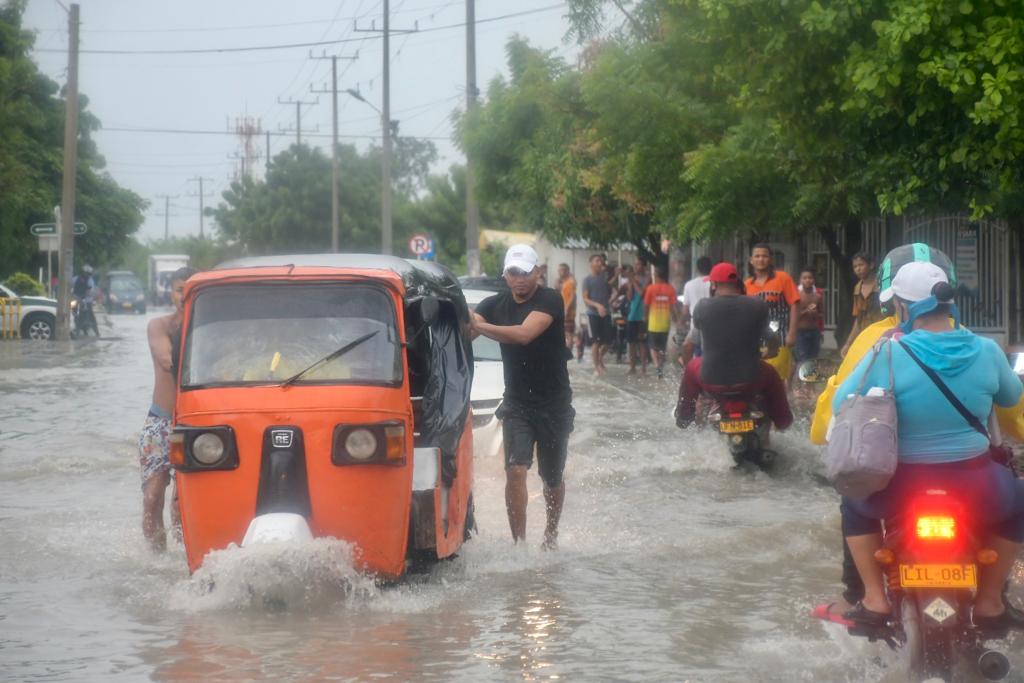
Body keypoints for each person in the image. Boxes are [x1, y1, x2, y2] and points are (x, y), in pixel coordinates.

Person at [811, 243, 1024, 620]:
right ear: (949, 303)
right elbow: (1011, 396)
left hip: (899, 485)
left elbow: (842, 401)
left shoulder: (886, 352)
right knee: (1017, 505)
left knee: (853, 505)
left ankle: (874, 599)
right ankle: (990, 601)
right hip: (976, 483)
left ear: (904, 307)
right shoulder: (988, 350)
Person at [472, 244, 575, 549]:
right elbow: (468, 331)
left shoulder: (550, 299)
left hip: (554, 404)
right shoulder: (493, 305)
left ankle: (551, 534)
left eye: (525, 272)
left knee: (551, 477)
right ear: (504, 275)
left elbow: (523, 334)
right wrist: (462, 319)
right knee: (515, 469)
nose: (519, 279)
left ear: (537, 273)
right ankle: (519, 545)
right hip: (516, 402)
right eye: (513, 272)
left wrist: (479, 324)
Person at [676, 263, 793, 430]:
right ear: (737, 282)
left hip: (711, 380)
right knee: (773, 376)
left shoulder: (702, 306)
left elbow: (688, 346)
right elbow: (772, 338)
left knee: (690, 369)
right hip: (751, 379)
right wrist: (771, 352)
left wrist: (688, 365)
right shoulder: (756, 305)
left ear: (713, 284)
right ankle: (783, 422)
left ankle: (684, 418)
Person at [140, 266, 196, 551]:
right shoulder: (159, 326)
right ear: (171, 293)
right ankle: (155, 561)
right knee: (152, 498)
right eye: (179, 290)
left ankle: (184, 559)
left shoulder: (210, 328)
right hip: (160, 422)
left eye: (190, 290)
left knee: (180, 505)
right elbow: (166, 359)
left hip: (192, 423)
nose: (184, 296)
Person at [744, 244, 800, 381]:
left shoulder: (783, 278)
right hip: (754, 340)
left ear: (771, 259)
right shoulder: (746, 284)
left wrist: (792, 333)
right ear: (751, 260)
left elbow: (795, 304)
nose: (760, 259)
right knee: (756, 379)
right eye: (757, 256)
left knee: (777, 378)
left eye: (764, 256)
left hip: (780, 337)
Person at [840, 252, 883, 357]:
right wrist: (848, 343)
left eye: (861, 265)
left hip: (882, 335)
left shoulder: (881, 285)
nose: (858, 269)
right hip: (864, 336)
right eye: (855, 266)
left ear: (871, 265)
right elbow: (858, 319)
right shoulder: (857, 289)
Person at [643, 267, 678, 379]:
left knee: (653, 347)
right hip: (665, 323)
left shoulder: (650, 289)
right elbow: (673, 307)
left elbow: (646, 305)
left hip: (653, 323)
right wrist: (676, 319)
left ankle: (657, 365)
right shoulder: (670, 289)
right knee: (662, 348)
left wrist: (645, 317)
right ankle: (661, 367)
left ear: (657, 276)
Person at [582, 254, 613, 376]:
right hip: (592, 314)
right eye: (597, 261)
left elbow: (612, 286)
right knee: (595, 341)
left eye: (601, 261)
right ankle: (596, 367)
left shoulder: (605, 278)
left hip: (606, 313)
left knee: (608, 341)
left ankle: (599, 358)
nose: (600, 263)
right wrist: (598, 306)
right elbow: (585, 298)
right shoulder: (587, 280)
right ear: (591, 264)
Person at [680, 256, 713, 367]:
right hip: (714, 325)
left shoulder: (689, 285)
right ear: (711, 267)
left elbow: (685, 310)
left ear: (697, 269)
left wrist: (681, 323)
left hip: (696, 326)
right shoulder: (715, 283)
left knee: (697, 358)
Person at [794, 267, 824, 364]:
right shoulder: (796, 295)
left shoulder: (818, 296)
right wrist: (806, 311)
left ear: (814, 280)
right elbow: (793, 315)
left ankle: (809, 378)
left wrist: (815, 314)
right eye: (804, 278)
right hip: (800, 332)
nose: (807, 280)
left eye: (810, 277)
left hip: (814, 331)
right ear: (800, 280)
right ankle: (799, 379)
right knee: (802, 361)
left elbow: (822, 314)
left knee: (813, 360)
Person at [623, 265, 648, 375]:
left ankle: (643, 368)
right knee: (631, 342)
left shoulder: (647, 279)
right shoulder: (631, 282)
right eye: (636, 265)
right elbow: (629, 297)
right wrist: (630, 284)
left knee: (642, 343)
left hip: (642, 315)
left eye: (639, 264)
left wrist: (633, 281)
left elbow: (642, 293)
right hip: (632, 315)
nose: (637, 267)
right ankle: (632, 367)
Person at [557, 263, 576, 351]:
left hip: (568, 311)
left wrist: (567, 308)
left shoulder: (570, 282)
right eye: (559, 270)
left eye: (562, 270)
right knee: (564, 332)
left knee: (568, 333)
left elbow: (572, 296)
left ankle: (568, 352)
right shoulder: (564, 282)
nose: (560, 272)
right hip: (563, 309)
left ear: (566, 271)